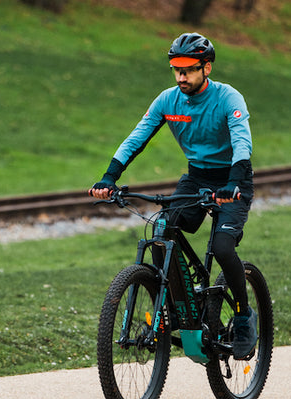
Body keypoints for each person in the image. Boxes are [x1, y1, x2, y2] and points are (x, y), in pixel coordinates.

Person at [88, 32, 257, 360]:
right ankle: (178, 304)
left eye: (189, 69)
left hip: (233, 179)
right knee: (163, 229)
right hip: (196, 178)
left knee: (222, 247)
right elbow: (137, 136)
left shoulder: (228, 98)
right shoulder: (168, 100)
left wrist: (234, 181)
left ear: (206, 68)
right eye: (176, 70)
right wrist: (110, 176)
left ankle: (242, 315)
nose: (181, 76)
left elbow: (241, 142)